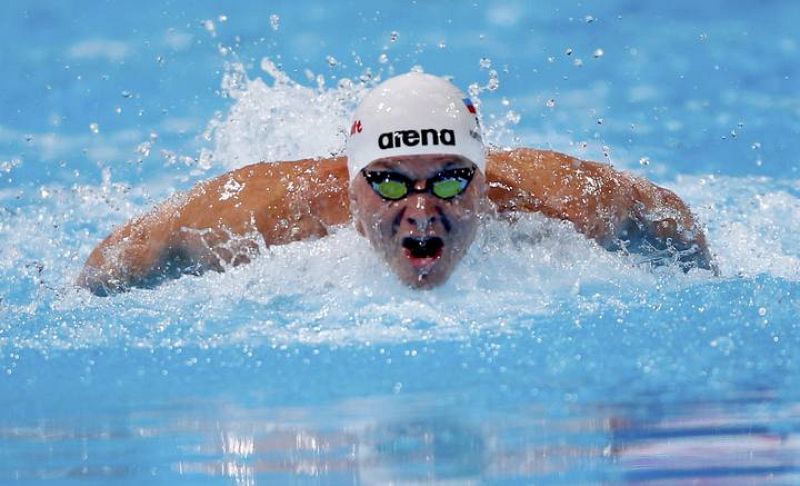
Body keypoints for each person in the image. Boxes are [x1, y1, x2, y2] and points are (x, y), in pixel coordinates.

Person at [78, 72, 713, 295]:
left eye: (448, 182)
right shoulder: (266, 214)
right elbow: (118, 258)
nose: (419, 213)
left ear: (485, 181)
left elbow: (668, 217)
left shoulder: (562, 202)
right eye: (388, 185)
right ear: (350, 183)